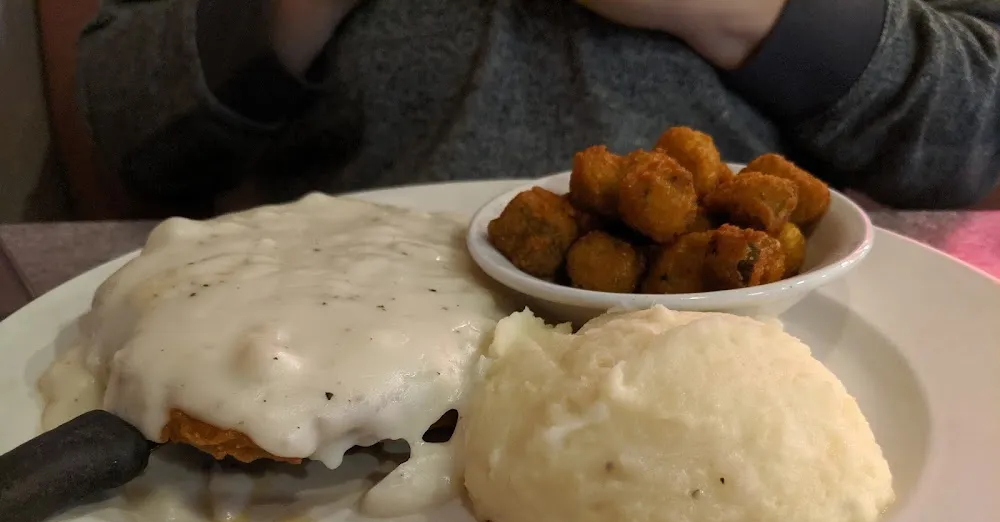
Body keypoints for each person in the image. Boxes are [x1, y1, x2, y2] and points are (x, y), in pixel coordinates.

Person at [77, 0, 1000, 214]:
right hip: (328, 358)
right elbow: (127, 133)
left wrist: (739, 13)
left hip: (768, 346)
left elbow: (981, 129)